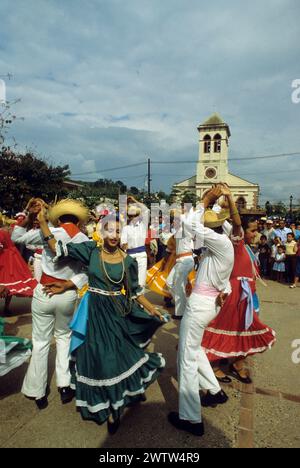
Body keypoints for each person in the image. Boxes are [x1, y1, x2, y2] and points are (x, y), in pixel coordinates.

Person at [39, 213, 166, 433]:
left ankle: (115, 409)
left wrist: (153, 309)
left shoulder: (128, 261)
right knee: (95, 357)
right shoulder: (91, 250)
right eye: (110, 230)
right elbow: (57, 247)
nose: (114, 235)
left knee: (114, 359)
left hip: (117, 314)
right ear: (102, 231)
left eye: (118, 231)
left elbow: (135, 292)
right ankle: (104, 401)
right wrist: (42, 223)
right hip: (93, 313)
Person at [168, 184, 235, 437]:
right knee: (194, 350)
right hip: (208, 304)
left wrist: (206, 199)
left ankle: (191, 418)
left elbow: (187, 223)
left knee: (185, 357)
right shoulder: (221, 244)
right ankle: (214, 390)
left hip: (200, 306)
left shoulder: (218, 241)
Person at [11, 199, 90, 410]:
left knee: (40, 341)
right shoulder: (83, 238)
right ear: (77, 219)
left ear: (59, 218)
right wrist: (69, 283)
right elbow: (86, 271)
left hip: (44, 291)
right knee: (64, 337)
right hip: (66, 294)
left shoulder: (49, 231)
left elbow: (15, 237)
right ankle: (64, 385)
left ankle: (37, 391)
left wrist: (28, 215)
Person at [202, 214, 276, 384]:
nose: (256, 234)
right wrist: (228, 200)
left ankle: (237, 362)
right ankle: (214, 365)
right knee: (224, 328)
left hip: (249, 296)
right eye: (253, 230)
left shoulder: (248, 248)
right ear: (242, 232)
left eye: (257, 230)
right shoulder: (237, 244)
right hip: (235, 295)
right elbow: (235, 226)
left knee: (244, 330)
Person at [0, 215, 37, 315]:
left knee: (6, 282)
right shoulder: (7, 230)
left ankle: (6, 307)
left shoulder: (2, 232)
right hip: (12, 257)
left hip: (5, 258)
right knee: (9, 282)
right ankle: (6, 307)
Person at [121, 196, 148, 291]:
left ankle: (140, 305)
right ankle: (132, 303)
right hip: (129, 256)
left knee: (141, 282)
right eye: (131, 216)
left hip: (141, 255)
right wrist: (123, 245)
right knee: (130, 282)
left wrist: (135, 201)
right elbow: (123, 243)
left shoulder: (143, 225)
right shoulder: (126, 228)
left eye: (135, 215)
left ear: (138, 215)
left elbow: (146, 210)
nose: (133, 217)